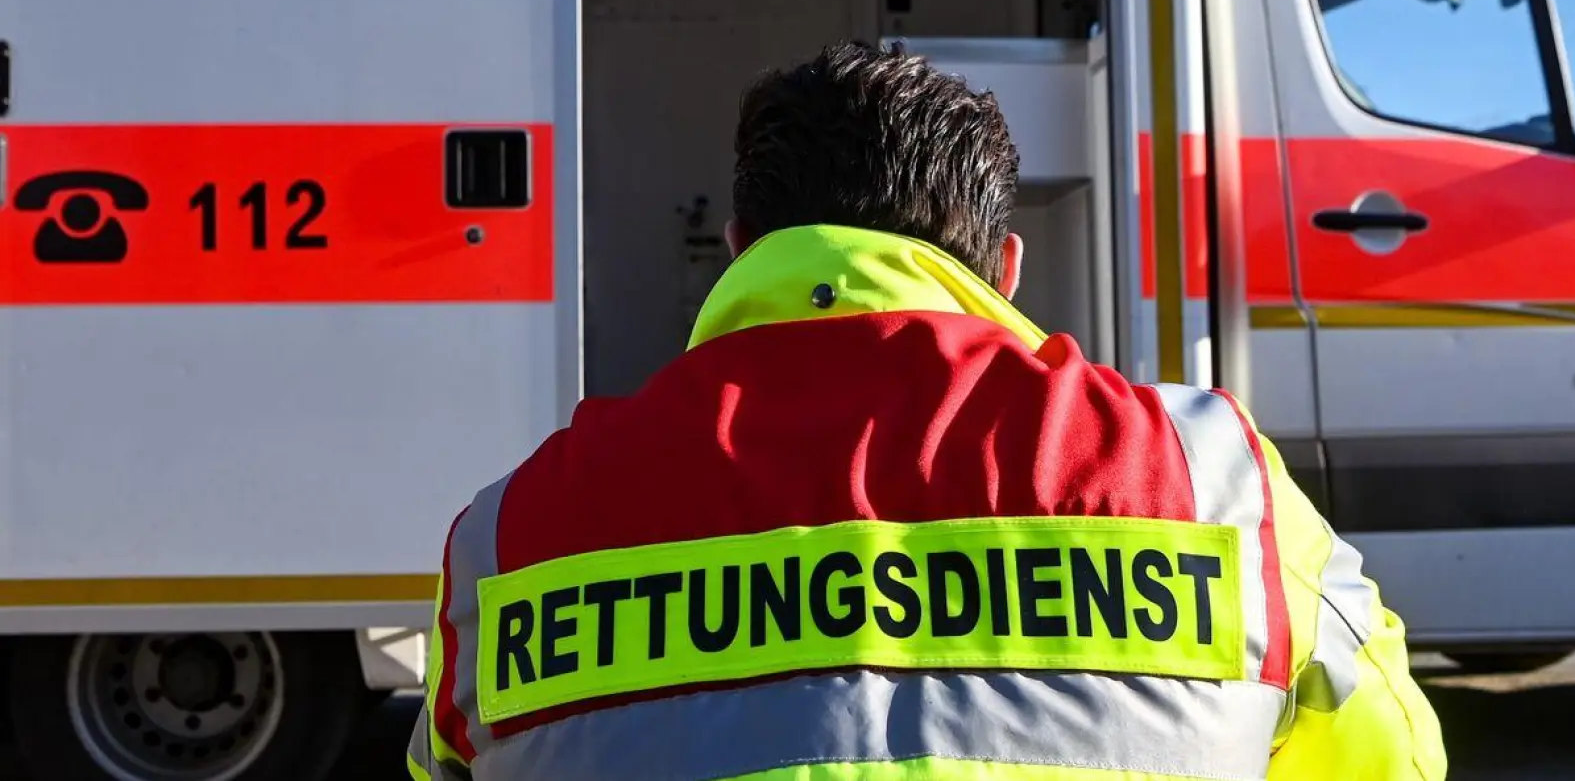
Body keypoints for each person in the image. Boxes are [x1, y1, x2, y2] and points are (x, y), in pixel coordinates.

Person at [407, 41, 1447, 781]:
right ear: (1006, 263)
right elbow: (1389, 758)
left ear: (737, 247)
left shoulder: (512, 535)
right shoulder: (1215, 481)